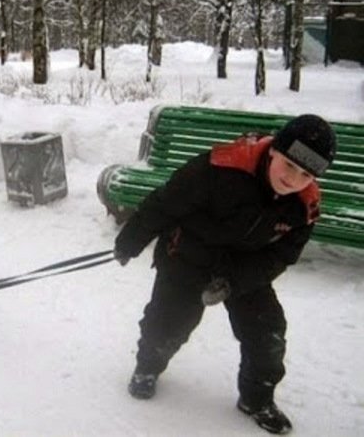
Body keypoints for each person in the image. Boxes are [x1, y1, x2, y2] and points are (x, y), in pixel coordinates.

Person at [114, 114, 336, 435]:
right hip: (187, 256)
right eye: (289, 165)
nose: (293, 179)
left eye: (306, 174)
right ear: (274, 150)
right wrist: (130, 241)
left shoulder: (304, 204)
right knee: (168, 322)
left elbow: (282, 255)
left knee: (267, 332)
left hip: (243, 268)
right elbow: (165, 203)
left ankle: (256, 399)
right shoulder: (221, 167)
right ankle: (148, 367)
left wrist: (234, 281)